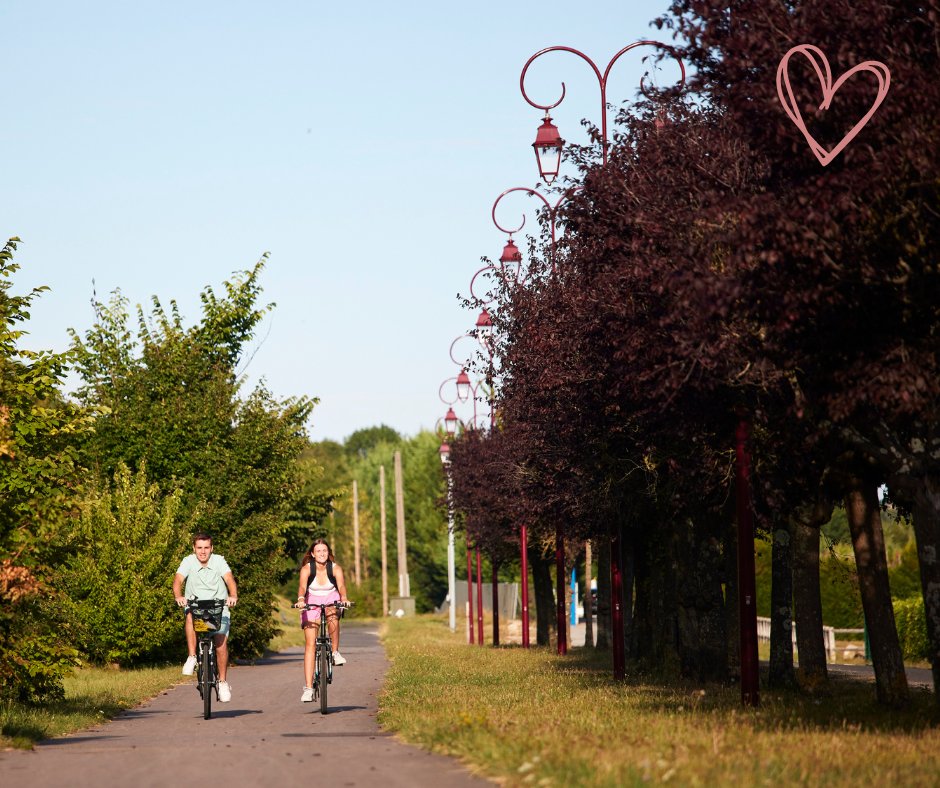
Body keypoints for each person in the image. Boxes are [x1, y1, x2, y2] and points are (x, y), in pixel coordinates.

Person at [173, 533, 238, 703]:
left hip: (218, 606)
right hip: (197, 606)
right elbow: (178, 580)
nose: (203, 552)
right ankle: (192, 656)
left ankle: (222, 682)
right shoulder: (188, 561)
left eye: (206, 548)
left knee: (220, 642)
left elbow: (229, 578)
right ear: (194, 548)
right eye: (199, 548)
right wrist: (179, 596)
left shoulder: (219, 561)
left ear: (211, 548)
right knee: (189, 615)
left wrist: (233, 595)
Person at [293, 539, 348, 703]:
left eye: (324, 550)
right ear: (312, 554)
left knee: (332, 614)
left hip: (331, 598)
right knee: (310, 643)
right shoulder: (307, 569)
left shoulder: (335, 568)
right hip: (312, 601)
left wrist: (344, 598)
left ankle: (335, 652)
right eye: (318, 551)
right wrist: (301, 599)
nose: (322, 553)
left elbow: (342, 586)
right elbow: (302, 587)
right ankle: (309, 688)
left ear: (328, 553)